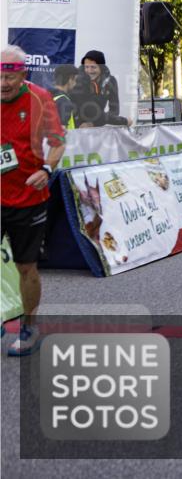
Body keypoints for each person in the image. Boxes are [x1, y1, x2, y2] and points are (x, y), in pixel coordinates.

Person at [1, 46, 66, 356]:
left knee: (26, 266)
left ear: (22, 75)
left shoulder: (41, 98)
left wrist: (46, 168)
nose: (3, 84)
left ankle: (29, 325)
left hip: (28, 195)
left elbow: (58, 143)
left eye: (9, 77)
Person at [80, 50, 124, 123]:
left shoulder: (111, 81)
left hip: (98, 124)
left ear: (101, 67)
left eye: (93, 67)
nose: (89, 71)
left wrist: (101, 122)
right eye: (86, 67)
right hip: (78, 126)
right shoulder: (77, 80)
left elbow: (114, 110)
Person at [51, 63, 80, 128]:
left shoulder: (45, 95)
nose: (75, 83)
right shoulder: (64, 102)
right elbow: (61, 131)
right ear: (70, 79)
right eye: (75, 80)